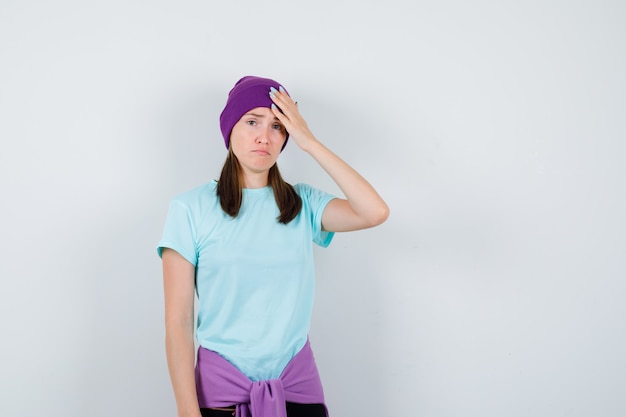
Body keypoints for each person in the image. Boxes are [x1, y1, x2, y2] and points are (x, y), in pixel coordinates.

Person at [157, 75, 389, 417]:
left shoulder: (302, 203)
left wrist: (309, 142)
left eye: (278, 126)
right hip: (220, 396)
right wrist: (187, 412)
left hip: (298, 391)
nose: (264, 136)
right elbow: (178, 322)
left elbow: (374, 212)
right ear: (230, 127)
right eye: (252, 121)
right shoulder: (189, 209)